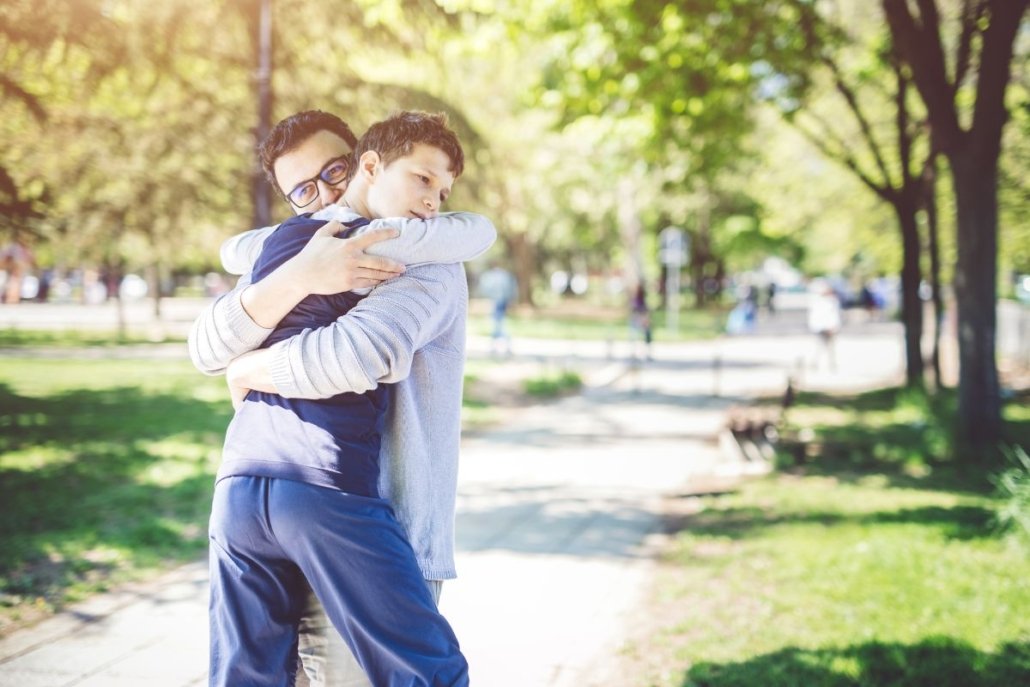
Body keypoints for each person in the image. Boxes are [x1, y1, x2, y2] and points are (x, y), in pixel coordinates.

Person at [190, 111, 495, 687]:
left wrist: (250, 369)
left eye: (335, 170)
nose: (328, 193)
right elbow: (207, 344)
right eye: (305, 190)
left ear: (362, 160)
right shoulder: (296, 247)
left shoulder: (421, 255)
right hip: (321, 496)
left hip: (356, 507)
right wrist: (299, 277)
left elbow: (353, 351)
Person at [477, 261, 516, 356]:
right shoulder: (504, 276)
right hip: (500, 302)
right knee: (499, 323)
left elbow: (485, 288)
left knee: (498, 324)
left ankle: (499, 346)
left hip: (498, 302)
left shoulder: (492, 276)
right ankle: (499, 346)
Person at [808, 280, 842, 371]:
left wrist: (833, 326)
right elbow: (815, 316)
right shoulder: (817, 301)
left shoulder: (832, 301)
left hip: (830, 327)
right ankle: (816, 363)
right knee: (819, 346)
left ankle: (832, 364)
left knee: (831, 347)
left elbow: (834, 315)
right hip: (820, 327)